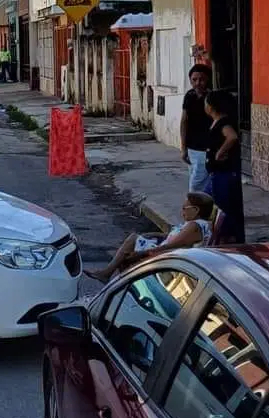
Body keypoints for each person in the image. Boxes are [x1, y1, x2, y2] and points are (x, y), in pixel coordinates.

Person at [85, 192, 216, 282]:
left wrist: (142, 253)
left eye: (185, 208)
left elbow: (171, 245)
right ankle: (110, 274)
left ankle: (108, 274)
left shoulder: (194, 226)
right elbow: (174, 237)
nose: (182, 212)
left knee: (131, 245)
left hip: (167, 255)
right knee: (134, 241)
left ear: (196, 210)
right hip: (167, 250)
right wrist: (154, 234)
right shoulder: (200, 225)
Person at [206, 89, 246, 244]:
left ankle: (227, 238)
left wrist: (220, 153)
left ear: (211, 106)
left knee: (225, 207)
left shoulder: (224, 122)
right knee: (214, 202)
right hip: (216, 173)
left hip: (224, 173)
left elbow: (232, 137)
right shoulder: (215, 122)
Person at [181, 63, 213, 193]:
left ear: (207, 80)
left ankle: (194, 211)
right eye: (194, 80)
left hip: (205, 149)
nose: (198, 83)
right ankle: (204, 211)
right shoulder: (189, 96)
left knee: (195, 187)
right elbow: (184, 121)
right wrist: (183, 148)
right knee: (199, 184)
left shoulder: (211, 98)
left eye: (201, 79)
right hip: (191, 148)